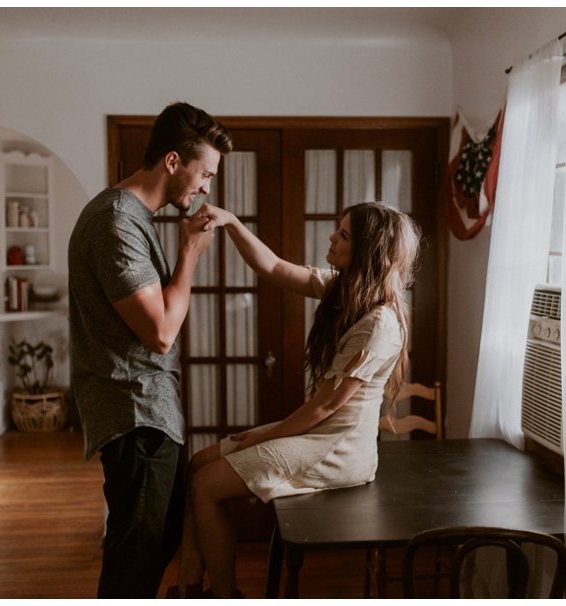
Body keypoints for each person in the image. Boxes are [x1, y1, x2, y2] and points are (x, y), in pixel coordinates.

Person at [170, 201, 422, 598]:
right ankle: (187, 588)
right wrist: (232, 221)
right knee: (198, 464)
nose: (332, 237)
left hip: (336, 449)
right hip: (317, 432)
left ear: (367, 250)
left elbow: (325, 406)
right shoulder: (346, 289)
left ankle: (222, 593)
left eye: (343, 235)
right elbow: (272, 268)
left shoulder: (380, 323)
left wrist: (258, 438)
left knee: (205, 484)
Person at [67, 102, 232, 598]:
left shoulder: (133, 215)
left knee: (151, 549)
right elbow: (161, 332)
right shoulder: (116, 222)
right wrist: (189, 254)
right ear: (173, 162)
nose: (206, 187)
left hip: (148, 412)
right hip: (135, 414)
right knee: (135, 562)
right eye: (204, 173)